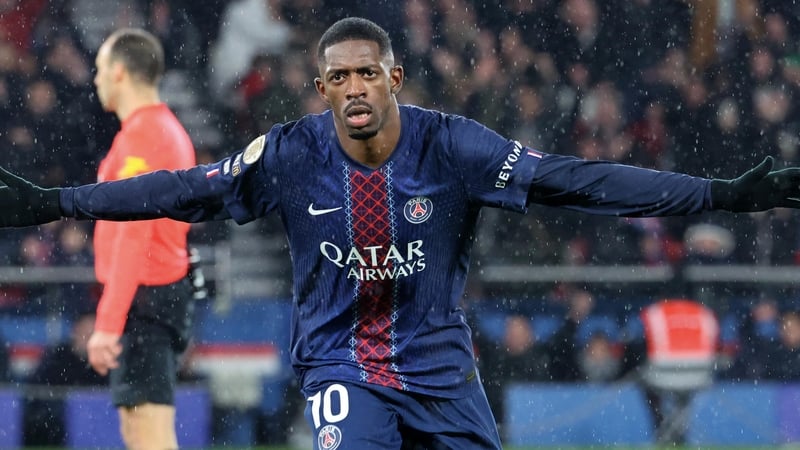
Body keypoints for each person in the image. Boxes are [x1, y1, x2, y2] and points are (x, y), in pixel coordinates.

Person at [1, 17, 800, 449]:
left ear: (395, 78)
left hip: (442, 367)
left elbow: (577, 179)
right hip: (341, 364)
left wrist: (717, 194)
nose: (353, 87)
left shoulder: (453, 145)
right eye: (338, 76)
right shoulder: (288, 154)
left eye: (367, 72)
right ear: (321, 88)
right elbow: (182, 189)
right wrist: (58, 202)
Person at [67, 28, 197, 450]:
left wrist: (107, 324)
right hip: (153, 295)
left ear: (120, 72)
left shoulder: (146, 136)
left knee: (149, 434)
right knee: (137, 428)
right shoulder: (153, 130)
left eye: (101, 68)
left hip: (148, 297)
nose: (95, 78)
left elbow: (132, 233)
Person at [23, 313, 107, 446]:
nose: (90, 339)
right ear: (75, 331)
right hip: (54, 422)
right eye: (86, 333)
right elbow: (38, 389)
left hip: (96, 426)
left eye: (93, 334)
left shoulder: (105, 363)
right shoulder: (57, 356)